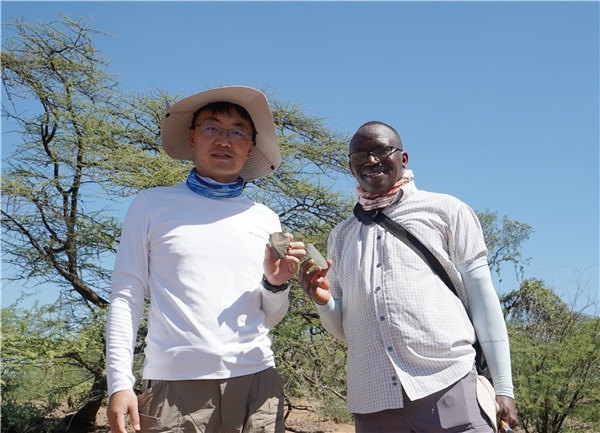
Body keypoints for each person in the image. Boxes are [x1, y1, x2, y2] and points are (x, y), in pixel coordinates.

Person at [106, 86, 305, 433]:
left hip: (258, 381)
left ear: (250, 146)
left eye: (237, 132)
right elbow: (126, 294)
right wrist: (119, 382)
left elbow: (271, 317)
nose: (224, 140)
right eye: (212, 128)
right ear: (193, 137)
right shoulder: (150, 205)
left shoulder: (265, 218)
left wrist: (275, 284)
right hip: (174, 386)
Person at [299, 121, 518, 433]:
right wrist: (324, 303)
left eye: (381, 150)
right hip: (372, 400)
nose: (371, 160)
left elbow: (483, 298)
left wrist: (504, 388)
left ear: (403, 159)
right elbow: (347, 331)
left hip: (448, 384)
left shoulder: (446, 211)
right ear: (351, 167)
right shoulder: (341, 236)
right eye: (360, 155)